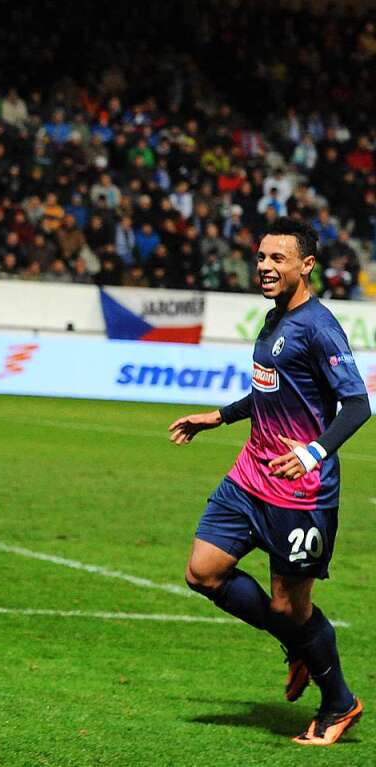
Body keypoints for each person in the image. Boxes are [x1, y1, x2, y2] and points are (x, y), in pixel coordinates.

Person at [169, 217, 369, 746]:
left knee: (289, 608)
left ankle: (339, 703)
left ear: (307, 265)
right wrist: (222, 415)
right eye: (261, 257)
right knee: (202, 572)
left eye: (277, 259)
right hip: (249, 475)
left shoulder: (320, 326)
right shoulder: (275, 316)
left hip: (300, 492)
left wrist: (312, 452)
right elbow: (271, 392)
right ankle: (300, 643)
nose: (264, 266)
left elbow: (357, 405)